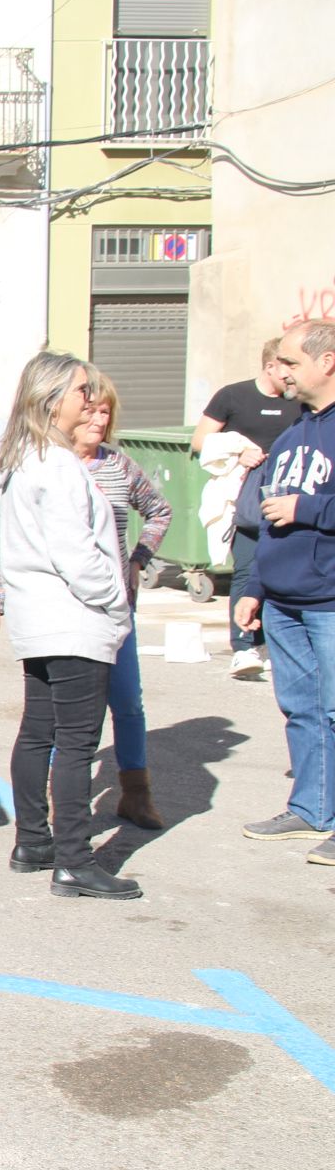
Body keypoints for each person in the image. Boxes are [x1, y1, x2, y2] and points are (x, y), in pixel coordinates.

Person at [0, 368, 172, 830]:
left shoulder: (106, 465)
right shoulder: (55, 466)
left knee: (120, 705)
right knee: (72, 740)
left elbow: (158, 511)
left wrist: (138, 559)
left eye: (102, 409)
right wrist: (110, 599)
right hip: (81, 614)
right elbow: (63, 552)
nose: (94, 414)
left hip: (81, 614)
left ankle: (123, 798)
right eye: (86, 400)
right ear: (55, 403)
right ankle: (70, 850)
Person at [233, 319, 335, 867]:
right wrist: (255, 587)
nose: (281, 374)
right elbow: (268, 520)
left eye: (292, 363)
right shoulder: (294, 433)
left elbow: (294, 510)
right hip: (285, 599)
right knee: (301, 708)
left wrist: (309, 509)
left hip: (330, 599)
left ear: (328, 362)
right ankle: (312, 810)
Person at [195, 338, 306, 681]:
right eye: (285, 366)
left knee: (284, 570)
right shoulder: (233, 396)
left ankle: (272, 645)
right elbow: (200, 441)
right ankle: (243, 645)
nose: (290, 375)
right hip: (246, 496)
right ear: (270, 366)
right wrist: (238, 451)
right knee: (246, 569)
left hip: (289, 496)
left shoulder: (299, 402)